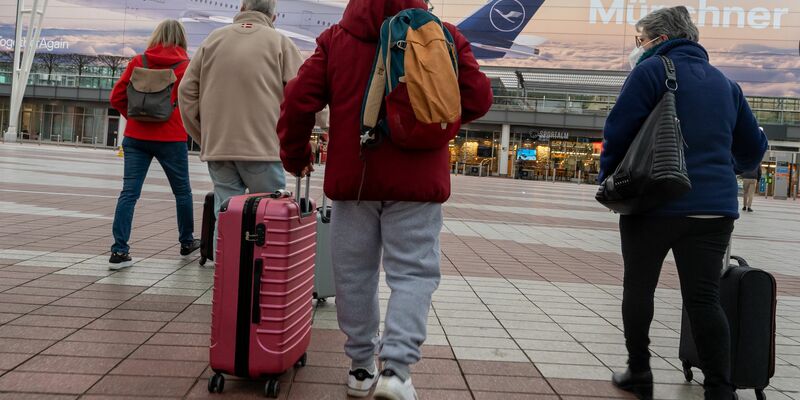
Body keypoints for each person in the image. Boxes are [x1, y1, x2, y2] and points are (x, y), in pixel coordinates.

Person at [276, 0, 492, 399]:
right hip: (418, 181)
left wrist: (295, 155)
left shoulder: (336, 39)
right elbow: (478, 97)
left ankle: (361, 368)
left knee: (353, 274)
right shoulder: (442, 34)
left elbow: (298, 100)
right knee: (413, 273)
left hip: (354, 179)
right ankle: (397, 370)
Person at [598, 6, 767, 400]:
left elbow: (619, 130)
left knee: (639, 289)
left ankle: (639, 372)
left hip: (653, 203)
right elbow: (753, 148)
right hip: (714, 209)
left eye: (640, 40)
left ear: (658, 39)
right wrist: (724, 167)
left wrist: (607, 180)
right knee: (704, 297)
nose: (637, 47)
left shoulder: (651, 71)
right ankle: (720, 389)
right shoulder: (726, 84)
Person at [178, 0, 303, 248]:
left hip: (219, 147)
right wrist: (315, 126)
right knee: (269, 212)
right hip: (263, 148)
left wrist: (204, 135)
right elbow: (301, 93)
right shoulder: (281, 44)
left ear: (242, 8)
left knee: (226, 213)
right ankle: (264, 273)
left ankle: (226, 272)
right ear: (273, 17)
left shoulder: (213, 40)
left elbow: (186, 91)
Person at [108, 19, 199, 270]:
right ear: (181, 38)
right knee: (182, 193)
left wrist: (136, 119)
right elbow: (194, 103)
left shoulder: (139, 62)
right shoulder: (186, 66)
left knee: (129, 193)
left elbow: (116, 97)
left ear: (156, 36)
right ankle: (186, 242)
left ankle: (119, 252)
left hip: (136, 138)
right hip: (171, 138)